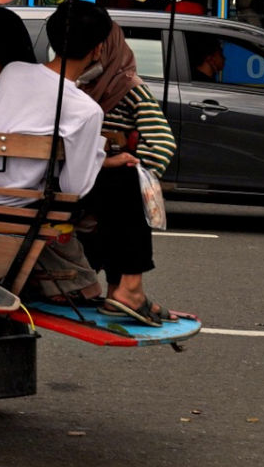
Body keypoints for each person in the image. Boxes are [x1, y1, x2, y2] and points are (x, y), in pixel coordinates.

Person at [0, 0, 112, 305]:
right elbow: (77, 188)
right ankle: (85, 281)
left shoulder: (13, 72)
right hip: (20, 205)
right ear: (98, 49)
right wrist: (101, 152)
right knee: (110, 190)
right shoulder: (86, 110)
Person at [77, 22, 180, 326]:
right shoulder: (76, 85)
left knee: (123, 190)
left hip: (106, 180)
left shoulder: (130, 88)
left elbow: (161, 142)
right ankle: (121, 290)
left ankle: (119, 288)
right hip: (84, 179)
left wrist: (138, 167)